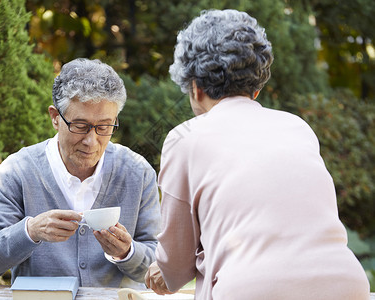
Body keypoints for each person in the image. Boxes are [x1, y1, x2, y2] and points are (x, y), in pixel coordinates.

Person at [145, 9, 370, 299]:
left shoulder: (184, 139)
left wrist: (163, 269)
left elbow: (175, 267)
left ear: (196, 88)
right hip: (347, 285)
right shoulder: (297, 127)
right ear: (256, 89)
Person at [0, 58, 161, 288]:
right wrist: (30, 231)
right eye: (80, 126)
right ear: (55, 117)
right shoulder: (17, 171)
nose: (91, 141)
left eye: (104, 127)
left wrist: (128, 252)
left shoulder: (138, 173)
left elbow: (160, 268)